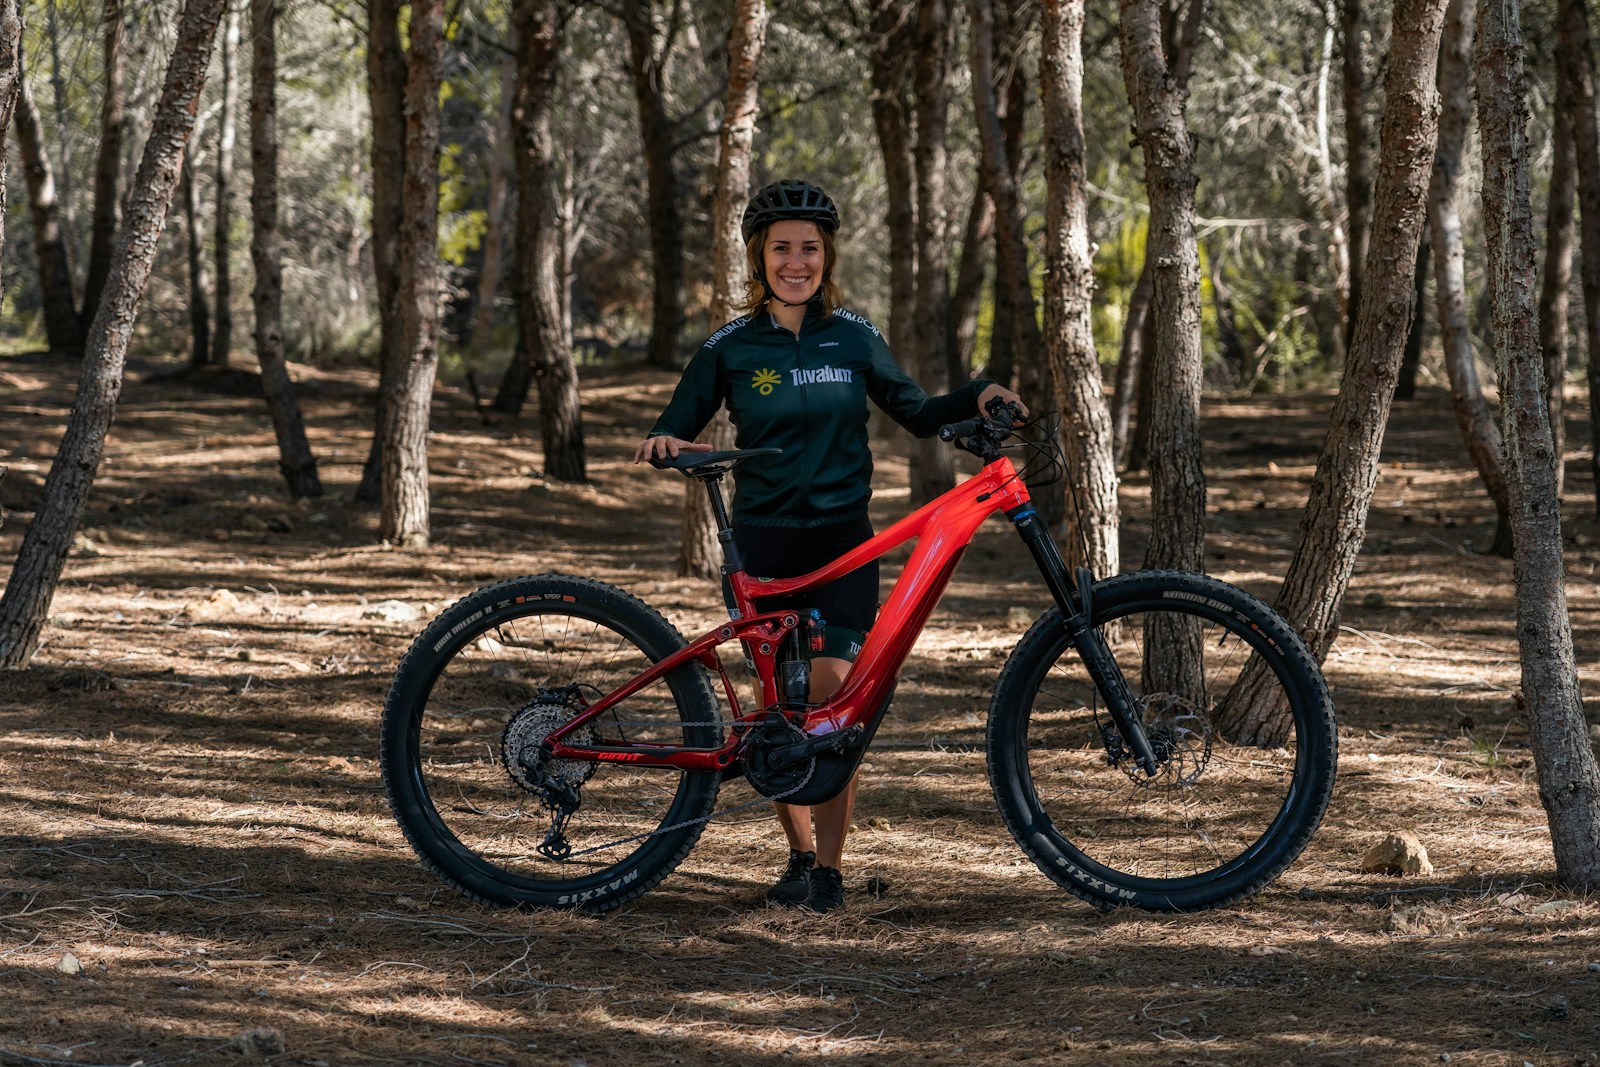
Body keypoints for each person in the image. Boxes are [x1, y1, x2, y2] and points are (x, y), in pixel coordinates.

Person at [634, 179, 1026, 913]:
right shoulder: (730, 343)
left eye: (808, 248)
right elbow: (677, 418)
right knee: (778, 703)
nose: (795, 261)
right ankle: (797, 852)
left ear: (826, 256)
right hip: (764, 543)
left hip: (846, 541)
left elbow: (914, 411)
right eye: (781, 247)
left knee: (832, 698)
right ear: (761, 255)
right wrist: (665, 438)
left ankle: (831, 870)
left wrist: (976, 394)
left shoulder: (852, 333)